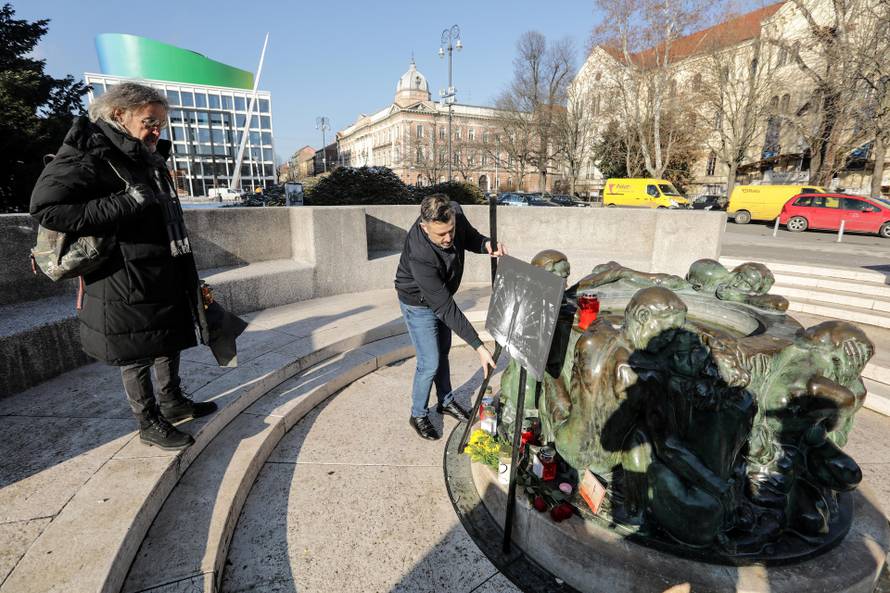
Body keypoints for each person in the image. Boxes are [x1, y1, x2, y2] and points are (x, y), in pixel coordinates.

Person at [29, 82, 216, 451]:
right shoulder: (89, 151)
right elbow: (46, 207)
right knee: (137, 349)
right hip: (120, 272)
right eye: (149, 121)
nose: (156, 130)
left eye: (161, 124)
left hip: (160, 264)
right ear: (119, 114)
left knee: (167, 336)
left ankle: (173, 401)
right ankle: (148, 421)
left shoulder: (140, 153)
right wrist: (123, 204)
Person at [394, 194, 506, 440]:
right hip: (418, 303)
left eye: (450, 231)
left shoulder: (453, 212)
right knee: (430, 361)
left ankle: (445, 400)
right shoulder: (419, 253)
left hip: (440, 293)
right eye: (440, 235)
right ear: (424, 227)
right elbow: (445, 308)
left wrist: (486, 244)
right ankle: (418, 414)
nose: (448, 239)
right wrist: (478, 345)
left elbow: (470, 237)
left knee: (444, 350)